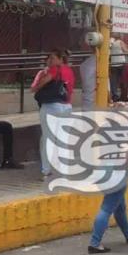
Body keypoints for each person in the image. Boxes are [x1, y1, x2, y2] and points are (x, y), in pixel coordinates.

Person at [32, 49, 75, 179]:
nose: (50, 61)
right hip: (67, 106)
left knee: (48, 138)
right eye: (49, 58)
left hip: (51, 106)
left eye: (52, 58)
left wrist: (36, 87)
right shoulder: (70, 71)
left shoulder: (54, 69)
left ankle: (46, 170)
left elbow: (38, 85)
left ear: (60, 59)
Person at [109, 33, 128, 102]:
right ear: (120, 37)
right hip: (121, 64)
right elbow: (126, 52)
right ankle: (123, 95)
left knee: (114, 81)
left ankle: (115, 96)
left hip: (113, 64)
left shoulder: (111, 43)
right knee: (124, 80)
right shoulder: (120, 42)